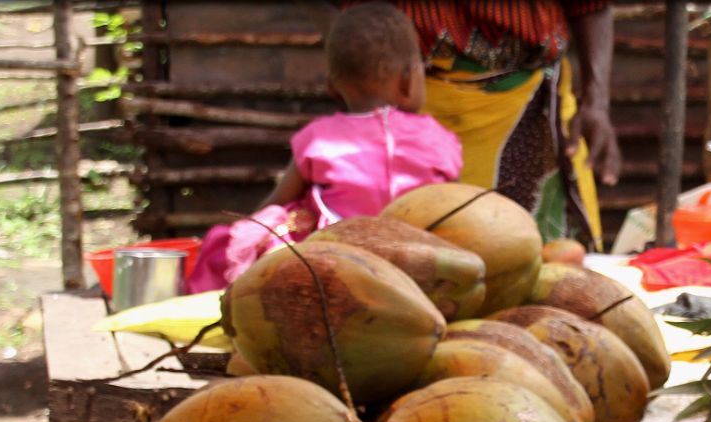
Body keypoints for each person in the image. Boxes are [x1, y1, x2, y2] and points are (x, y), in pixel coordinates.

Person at [185, 2, 462, 293]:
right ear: (408, 80)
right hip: (420, 268)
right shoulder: (438, 138)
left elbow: (276, 202)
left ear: (332, 87)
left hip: (334, 269)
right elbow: (455, 209)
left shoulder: (319, 139)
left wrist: (246, 237)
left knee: (267, 223)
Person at [307, 0, 621, 249]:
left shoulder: (321, 145)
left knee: (551, 284)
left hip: (531, 111)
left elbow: (590, 5)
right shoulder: (353, 146)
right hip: (412, 102)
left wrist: (597, 103)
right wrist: (365, 68)